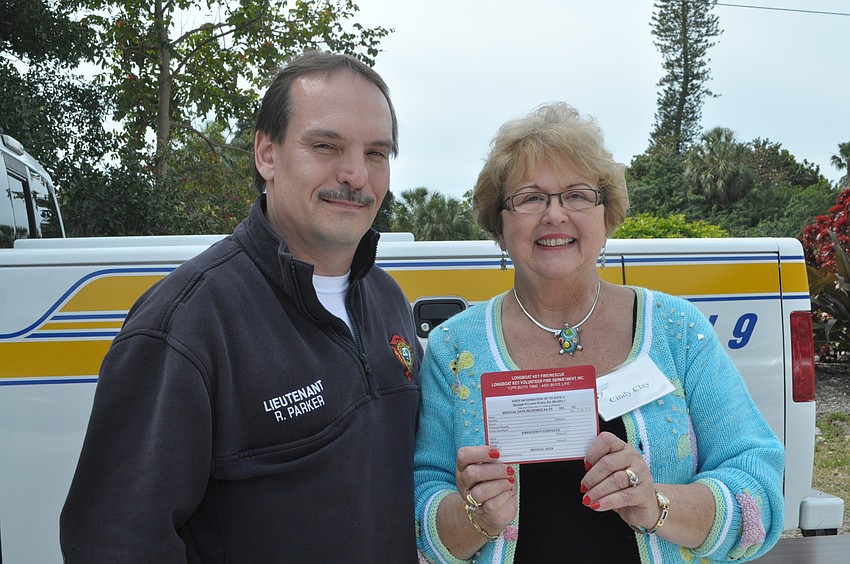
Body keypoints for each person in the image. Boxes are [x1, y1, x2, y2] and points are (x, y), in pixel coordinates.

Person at [60, 51, 421, 563]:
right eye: (326, 145)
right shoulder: (186, 324)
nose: (357, 174)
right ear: (266, 154)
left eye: (377, 153)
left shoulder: (387, 299)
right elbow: (114, 542)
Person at [413, 102, 784, 563]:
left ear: (607, 217)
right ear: (500, 226)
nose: (554, 215)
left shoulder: (678, 331)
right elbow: (419, 507)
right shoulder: (454, 348)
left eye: (577, 195)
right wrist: (475, 518)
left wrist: (657, 504)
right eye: (529, 198)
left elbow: (761, 492)